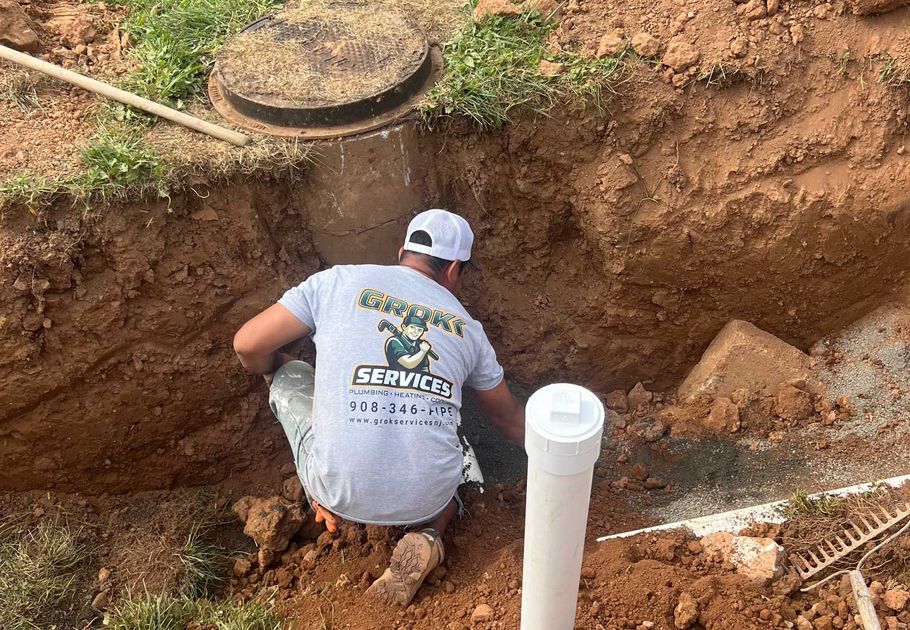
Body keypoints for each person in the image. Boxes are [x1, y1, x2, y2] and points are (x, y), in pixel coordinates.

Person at [233, 209, 526, 606]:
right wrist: (561, 452)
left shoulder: (334, 282)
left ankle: (319, 490)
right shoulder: (468, 328)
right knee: (452, 440)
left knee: (292, 373)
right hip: (426, 496)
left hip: (341, 489)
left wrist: (278, 367)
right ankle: (430, 534)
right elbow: (507, 417)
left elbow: (247, 344)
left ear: (402, 253)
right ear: (455, 269)